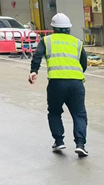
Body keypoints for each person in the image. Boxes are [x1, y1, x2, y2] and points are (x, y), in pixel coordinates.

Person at [28, 13, 89, 157]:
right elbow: (84, 63)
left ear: (53, 28)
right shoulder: (77, 42)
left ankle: (59, 141)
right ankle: (80, 144)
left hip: (56, 83)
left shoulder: (47, 40)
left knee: (55, 112)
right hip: (76, 83)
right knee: (79, 114)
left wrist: (34, 71)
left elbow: (37, 55)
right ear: (68, 28)